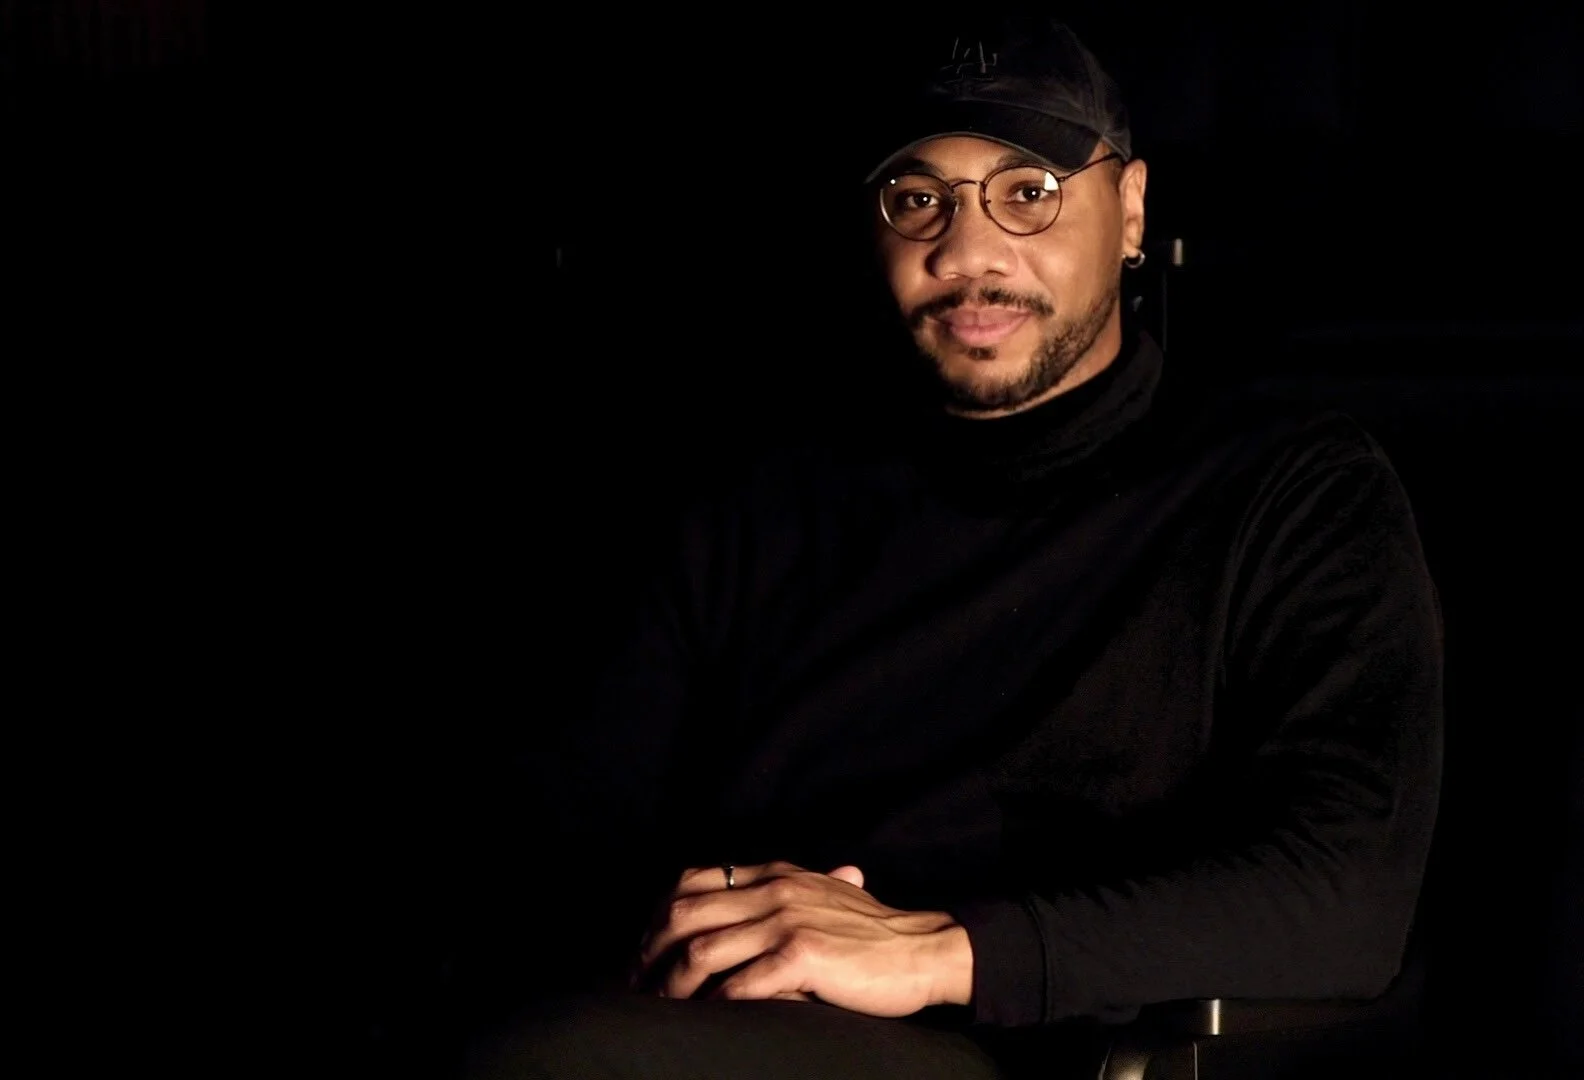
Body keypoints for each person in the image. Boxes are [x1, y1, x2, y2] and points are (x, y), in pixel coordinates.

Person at [466, 15, 1442, 1079]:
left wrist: (944, 953)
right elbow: (559, 830)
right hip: (713, 1015)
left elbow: (1349, 894)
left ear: (1130, 211)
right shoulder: (758, 498)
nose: (968, 251)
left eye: (1028, 191)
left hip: (1028, 1050)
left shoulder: (1288, 490)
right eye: (919, 198)